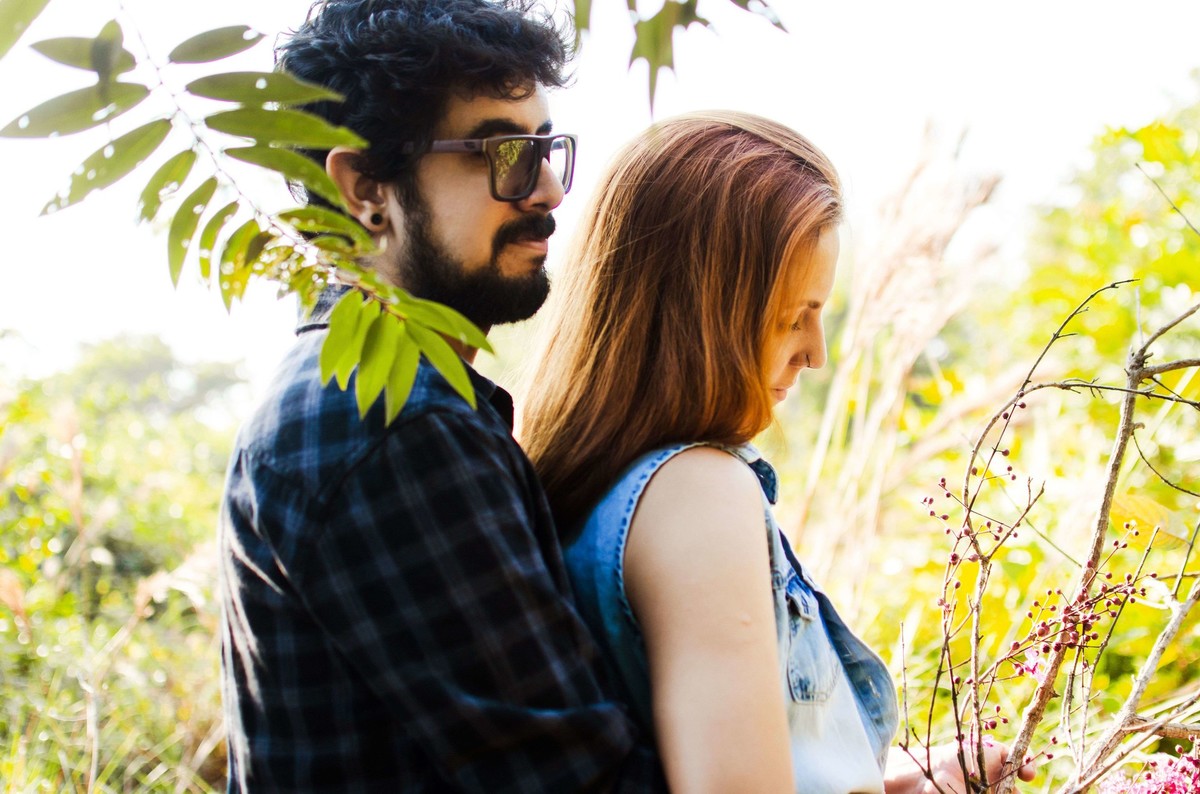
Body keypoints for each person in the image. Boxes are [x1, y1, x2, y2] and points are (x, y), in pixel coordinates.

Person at [217, 1, 663, 790]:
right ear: (366, 188)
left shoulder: (364, 395)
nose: (549, 192)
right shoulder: (389, 425)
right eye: (503, 152)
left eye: (546, 148)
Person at [521, 111, 1038, 793]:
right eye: (792, 317)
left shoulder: (592, 495)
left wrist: (900, 783)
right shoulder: (696, 493)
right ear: (702, 313)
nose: (816, 353)